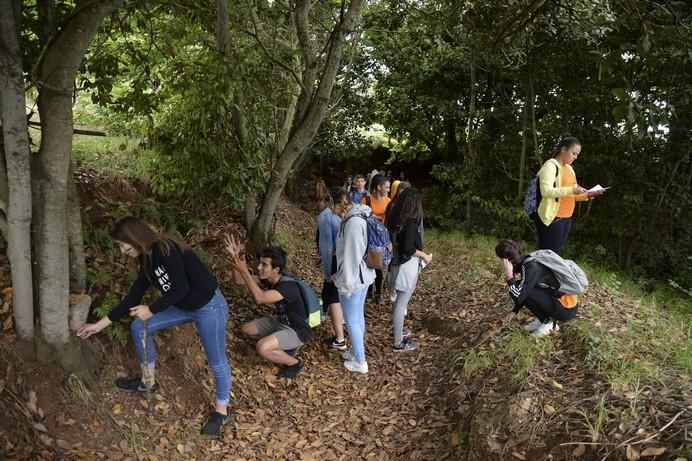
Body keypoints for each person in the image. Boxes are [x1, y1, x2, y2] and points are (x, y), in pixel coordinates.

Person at [77, 216, 232, 436]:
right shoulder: (146, 260)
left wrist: (151, 309)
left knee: (216, 361)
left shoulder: (165, 249)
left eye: (122, 245)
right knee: (140, 327)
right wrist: (99, 325)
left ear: (134, 237)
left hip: (209, 306)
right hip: (182, 306)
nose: (121, 251)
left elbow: (180, 287)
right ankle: (147, 383)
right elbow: (133, 297)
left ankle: (221, 411)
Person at [224, 238, 310, 379]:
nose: (259, 267)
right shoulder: (269, 279)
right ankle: (280, 345)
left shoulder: (289, 287)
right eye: (260, 263)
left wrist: (244, 270)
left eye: (264, 265)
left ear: (276, 270)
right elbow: (239, 280)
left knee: (262, 347)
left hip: (296, 330)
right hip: (280, 321)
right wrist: (236, 257)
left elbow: (260, 298)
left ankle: (295, 363)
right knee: (245, 330)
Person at [533, 134, 605, 254]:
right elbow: (546, 192)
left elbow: (571, 195)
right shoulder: (550, 166)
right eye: (574, 153)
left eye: (577, 154)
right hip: (553, 218)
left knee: (555, 255)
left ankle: (546, 273)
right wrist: (572, 189)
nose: (576, 157)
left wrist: (588, 195)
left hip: (567, 218)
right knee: (547, 255)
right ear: (563, 149)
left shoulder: (570, 169)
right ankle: (535, 272)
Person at [495, 239, 578, 337]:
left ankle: (549, 324)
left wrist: (509, 276)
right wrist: (515, 310)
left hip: (566, 308)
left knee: (519, 288)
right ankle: (544, 320)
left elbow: (519, 296)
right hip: (563, 303)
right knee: (519, 286)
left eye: (501, 260)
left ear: (507, 260)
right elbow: (523, 288)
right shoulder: (528, 261)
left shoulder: (531, 267)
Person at [333, 194, 375, 374]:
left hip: (354, 280)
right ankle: (356, 352)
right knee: (357, 317)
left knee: (351, 320)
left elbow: (352, 256)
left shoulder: (352, 223)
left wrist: (346, 285)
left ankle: (360, 361)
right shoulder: (359, 216)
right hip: (363, 276)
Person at [386, 188, 431, 351]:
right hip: (407, 265)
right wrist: (425, 256)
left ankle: (397, 331)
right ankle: (398, 342)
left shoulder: (394, 217)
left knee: (398, 302)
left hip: (395, 263)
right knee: (401, 303)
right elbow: (409, 248)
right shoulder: (410, 221)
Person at [317, 187, 348, 350]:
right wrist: (328, 270)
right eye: (342, 202)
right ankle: (340, 338)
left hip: (339, 261)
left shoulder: (335, 216)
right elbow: (328, 246)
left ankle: (338, 334)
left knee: (331, 294)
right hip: (335, 262)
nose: (345, 205)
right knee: (334, 297)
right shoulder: (327, 218)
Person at [362, 174, 391, 305]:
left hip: (381, 238)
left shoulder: (388, 201)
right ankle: (368, 291)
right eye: (386, 187)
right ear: (379, 187)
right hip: (367, 237)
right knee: (368, 264)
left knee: (379, 266)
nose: (388, 190)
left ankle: (378, 293)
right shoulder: (366, 200)